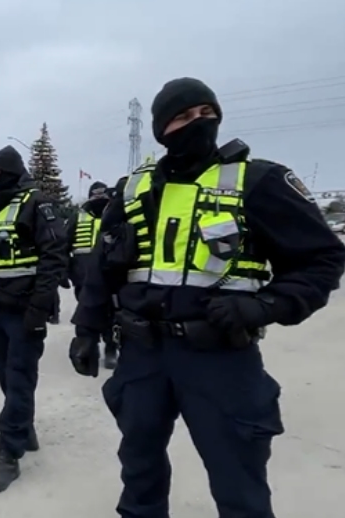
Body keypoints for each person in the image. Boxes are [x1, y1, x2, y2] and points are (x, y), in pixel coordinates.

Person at [69, 77, 345, 517]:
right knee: (138, 473)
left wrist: (267, 305)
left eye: (206, 113)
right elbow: (103, 269)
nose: (197, 123)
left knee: (240, 484)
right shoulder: (133, 191)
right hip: (142, 357)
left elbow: (322, 260)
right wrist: (86, 329)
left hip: (220, 358)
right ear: (161, 129)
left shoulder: (258, 181)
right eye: (182, 116)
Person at [0, 145, 68, 495]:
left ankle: (10, 451)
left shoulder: (37, 203)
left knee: (20, 377)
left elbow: (54, 258)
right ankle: (24, 430)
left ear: (15, 171)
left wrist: (40, 308)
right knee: (5, 373)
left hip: (26, 309)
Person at [63, 181, 117, 369]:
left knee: (112, 313)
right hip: (83, 277)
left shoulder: (116, 214)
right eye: (96, 196)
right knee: (87, 314)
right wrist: (67, 271)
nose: (99, 201)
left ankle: (111, 347)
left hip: (111, 275)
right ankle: (89, 347)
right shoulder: (77, 217)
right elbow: (64, 245)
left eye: (103, 197)